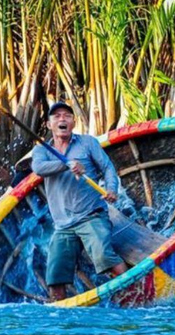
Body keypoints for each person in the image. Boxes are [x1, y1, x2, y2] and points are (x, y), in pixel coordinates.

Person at [31, 102, 127, 301]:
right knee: (55, 278)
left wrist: (111, 189)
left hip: (91, 215)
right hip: (63, 225)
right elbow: (39, 169)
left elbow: (108, 168)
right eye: (56, 116)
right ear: (49, 125)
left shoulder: (87, 143)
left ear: (73, 122)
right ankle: (62, 318)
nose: (62, 119)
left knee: (103, 256)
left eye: (67, 116)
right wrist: (66, 164)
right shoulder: (42, 150)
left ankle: (135, 295)